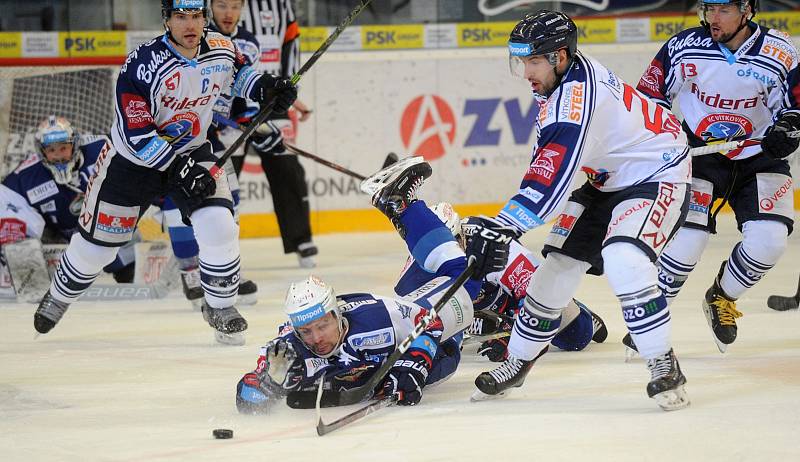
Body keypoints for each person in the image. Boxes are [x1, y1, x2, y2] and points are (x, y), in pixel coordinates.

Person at [32, 0, 298, 346]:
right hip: (131, 164)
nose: (190, 25)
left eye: (196, 17)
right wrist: (177, 167)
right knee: (98, 250)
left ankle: (220, 307)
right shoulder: (141, 64)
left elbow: (241, 76)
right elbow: (137, 133)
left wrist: (268, 90)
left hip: (191, 150)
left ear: (205, 19)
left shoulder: (222, 48)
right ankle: (60, 295)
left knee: (219, 223)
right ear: (166, 21)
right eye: (180, 17)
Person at [471, 10, 693, 411]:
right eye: (521, 62)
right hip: (609, 177)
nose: (525, 73)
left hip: (658, 171)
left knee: (624, 257)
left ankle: (663, 362)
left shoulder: (573, 106)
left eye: (533, 61)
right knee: (556, 265)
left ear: (559, 57)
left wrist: (504, 226)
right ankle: (518, 361)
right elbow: (556, 169)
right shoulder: (567, 75)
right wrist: (505, 225)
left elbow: (551, 180)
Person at [235, 159, 515, 412]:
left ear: (336, 314)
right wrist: (267, 384)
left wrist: (413, 363)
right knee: (438, 278)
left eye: (322, 326)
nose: (317, 338)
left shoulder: (376, 321)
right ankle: (405, 209)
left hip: (432, 336)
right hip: (407, 309)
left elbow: (427, 323)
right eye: (306, 331)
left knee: (462, 280)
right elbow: (246, 398)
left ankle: (402, 203)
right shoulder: (286, 350)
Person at [635, 0, 799, 353]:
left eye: (723, 10)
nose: (713, 18)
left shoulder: (779, 51)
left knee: (770, 240)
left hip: (760, 158)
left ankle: (722, 296)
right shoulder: (684, 46)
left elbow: (796, 103)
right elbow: (649, 96)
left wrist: (790, 125)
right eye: (709, 9)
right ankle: (650, 319)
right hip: (699, 155)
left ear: (747, 11)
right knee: (687, 239)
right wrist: (663, 138)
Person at [395, 202, 608, 360]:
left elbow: (534, 292)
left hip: (517, 295)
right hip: (480, 308)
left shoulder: (490, 243)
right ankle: (491, 322)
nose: (451, 252)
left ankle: (573, 306)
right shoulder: (413, 277)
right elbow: (416, 319)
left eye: (456, 242)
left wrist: (511, 337)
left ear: (462, 234)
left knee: (577, 335)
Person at [1, 116, 136, 283]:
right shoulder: (26, 176)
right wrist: (14, 237)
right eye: (51, 150)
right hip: (58, 241)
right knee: (14, 233)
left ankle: (127, 275)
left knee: (128, 266)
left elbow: (135, 177)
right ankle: (31, 283)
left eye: (63, 148)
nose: (58, 156)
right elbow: (6, 200)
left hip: (106, 226)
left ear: (75, 144)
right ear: (42, 152)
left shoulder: (102, 149)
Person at [238, 0, 318, 268]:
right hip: (233, 100)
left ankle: (300, 239)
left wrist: (291, 95)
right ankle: (205, 244)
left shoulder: (282, 5)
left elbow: (290, 46)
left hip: (273, 101)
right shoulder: (227, 4)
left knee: (287, 168)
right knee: (223, 171)